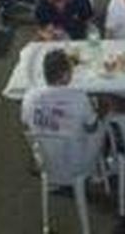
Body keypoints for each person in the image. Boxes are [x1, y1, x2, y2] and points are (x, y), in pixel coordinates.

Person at [20, 49, 104, 177]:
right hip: (77, 163)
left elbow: (26, 123)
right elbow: (92, 128)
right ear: (65, 75)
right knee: (103, 121)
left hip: (46, 161)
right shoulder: (79, 98)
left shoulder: (29, 97)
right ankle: (98, 172)